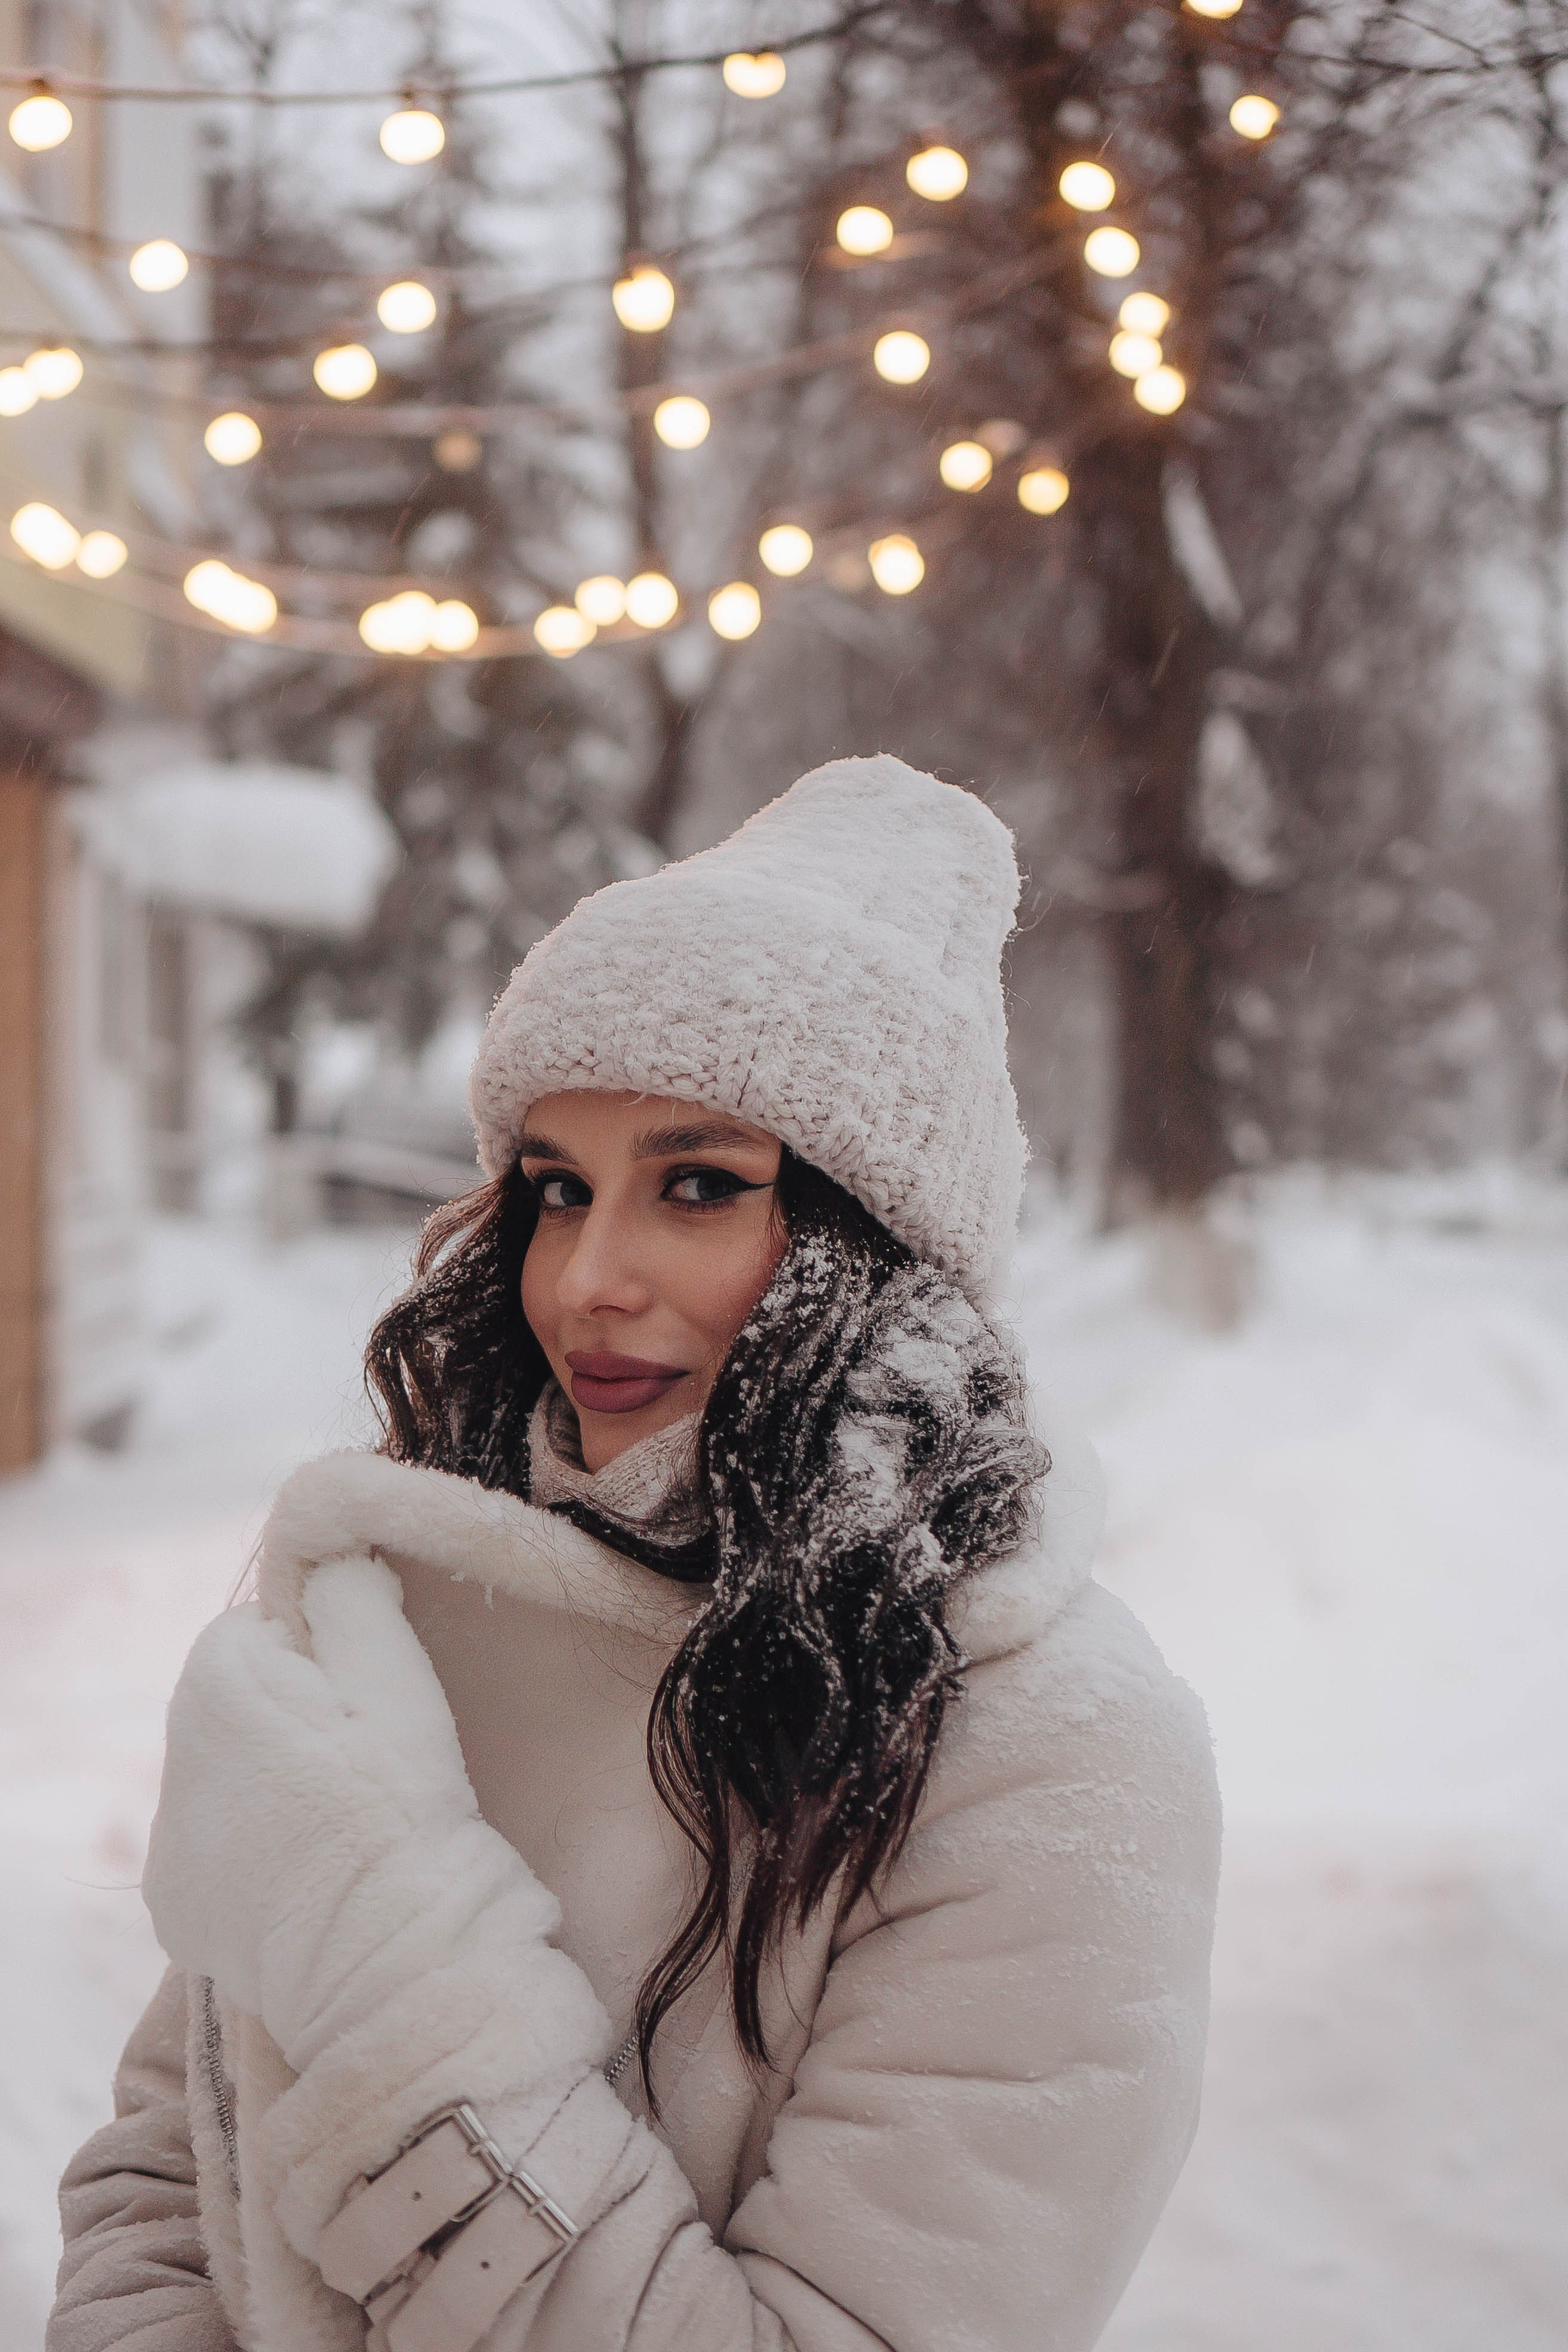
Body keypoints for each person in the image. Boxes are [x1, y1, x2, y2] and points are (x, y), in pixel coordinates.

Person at [49, 755, 1221, 2352]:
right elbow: (166, 2175)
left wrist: (393, 1981)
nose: (587, 1276)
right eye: (556, 1190)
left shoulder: (1050, 1753)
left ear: (872, 1246)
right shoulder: (413, 1607)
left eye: (697, 1187)